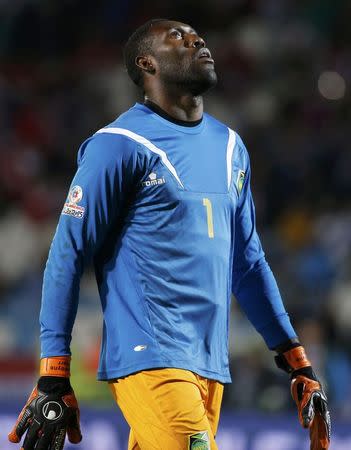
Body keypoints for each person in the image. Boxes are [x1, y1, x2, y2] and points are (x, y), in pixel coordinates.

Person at [9, 18, 331, 450]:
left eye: (197, 35)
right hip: (151, 356)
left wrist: (296, 360)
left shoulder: (231, 146)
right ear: (147, 63)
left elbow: (248, 264)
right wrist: (53, 370)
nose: (197, 40)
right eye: (177, 38)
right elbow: (68, 254)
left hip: (211, 364)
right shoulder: (118, 144)